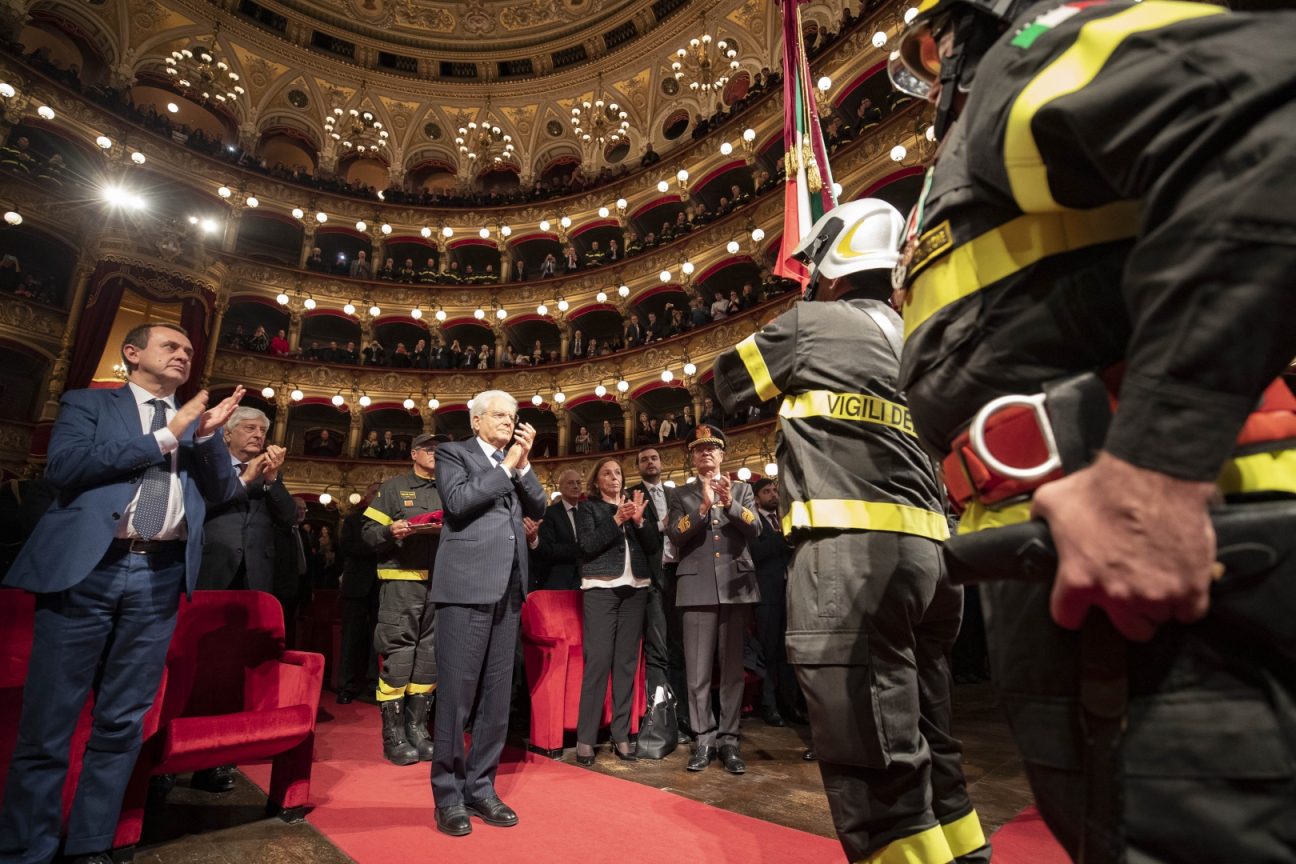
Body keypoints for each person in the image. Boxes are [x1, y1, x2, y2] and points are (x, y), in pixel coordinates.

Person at [887, 1, 1296, 860]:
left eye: (931, 55)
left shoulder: (1032, 49)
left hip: (1174, 563)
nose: (930, 82)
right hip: (1097, 562)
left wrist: (1153, 467)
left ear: (965, 29)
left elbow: (1268, 115)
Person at [713, 198, 987, 863]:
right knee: (930, 742)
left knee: (872, 756)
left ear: (832, 265)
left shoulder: (814, 322)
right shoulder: (916, 335)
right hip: (932, 563)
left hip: (849, 560)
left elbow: (726, 382)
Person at [0, 323, 244, 864]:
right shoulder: (89, 404)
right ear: (133, 355)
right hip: (87, 573)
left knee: (122, 722)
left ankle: (90, 846)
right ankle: (24, 849)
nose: (183, 355)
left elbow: (225, 493)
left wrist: (203, 438)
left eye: (188, 349)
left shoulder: (196, 425)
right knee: (49, 721)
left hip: (159, 578)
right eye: (170, 346)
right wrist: (165, 435)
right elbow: (64, 467)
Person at [428, 391, 546, 837]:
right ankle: (448, 796)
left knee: (497, 701)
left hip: (509, 591)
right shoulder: (452, 453)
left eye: (513, 417)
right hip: (465, 588)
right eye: (499, 415)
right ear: (476, 421)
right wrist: (507, 463)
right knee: (457, 697)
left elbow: (539, 507)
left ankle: (481, 788)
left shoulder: (515, 463)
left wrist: (524, 465)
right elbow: (458, 503)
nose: (508, 422)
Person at [665, 425, 760, 774]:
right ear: (691, 457)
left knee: (733, 671)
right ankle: (703, 739)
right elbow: (675, 534)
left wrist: (729, 504)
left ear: (722, 455)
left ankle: (729, 741)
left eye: (712, 448)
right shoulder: (680, 494)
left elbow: (756, 529)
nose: (706, 453)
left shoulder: (743, 489)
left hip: (736, 587)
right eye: (699, 449)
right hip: (696, 587)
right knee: (698, 672)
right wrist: (704, 507)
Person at [362, 433, 447, 765]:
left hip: (440, 584)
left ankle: (418, 729)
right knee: (398, 655)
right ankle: (393, 734)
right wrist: (389, 531)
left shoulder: (449, 489)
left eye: (441, 450)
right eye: (430, 449)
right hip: (401, 581)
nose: (436, 454)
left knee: (430, 657)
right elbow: (367, 534)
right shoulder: (394, 487)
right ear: (414, 453)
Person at [572, 458, 657, 765]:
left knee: (626, 663)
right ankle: (586, 738)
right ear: (597, 481)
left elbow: (651, 546)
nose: (614, 477)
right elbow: (587, 545)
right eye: (607, 473)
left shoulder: (634, 507)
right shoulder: (588, 508)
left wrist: (639, 522)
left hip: (635, 588)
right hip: (601, 588)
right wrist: (617, 520)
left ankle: (621, 735)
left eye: (618, 472)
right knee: (598, 662)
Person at [627, 447, 688, 740]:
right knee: (658, 647)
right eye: (644, 460)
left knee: (681, 646)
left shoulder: (676, 495)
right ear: (637, 466)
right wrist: (661, 525)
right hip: (652, 576)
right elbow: (642, 538)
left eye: (654, 458)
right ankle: (659, 717)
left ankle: (682, 716)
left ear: (662, 463)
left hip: (681, 574)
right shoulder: (632, 494)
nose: (650, 462)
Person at [744, 478, 798, 727]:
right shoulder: (754, 522)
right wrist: (781, 538)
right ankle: (769, 705)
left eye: (775, 490)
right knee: (768, 651)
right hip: (766, 594)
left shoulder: (786, 518)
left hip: (790, 592)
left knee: (788, 653)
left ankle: (790, 705)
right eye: (767, 491)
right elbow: (755, 554)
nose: (773, 494)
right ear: (756, 498)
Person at [336, 483, 380, 705]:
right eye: (375, 493)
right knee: (351, 637)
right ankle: (346, 685)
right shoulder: (353, 519)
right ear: (366, 496)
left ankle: (374, 684)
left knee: (378, 640)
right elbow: (346, 546)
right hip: (356, 586)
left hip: (382, 587)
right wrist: (377, 545)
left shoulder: (391, 519)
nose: (379, 496)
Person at [529, 469, 583, 591]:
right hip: (560, 580)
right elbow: (549, 549)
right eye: (570, 483)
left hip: (588, 578)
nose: (576, 486)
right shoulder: (549, 513)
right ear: (561, 487)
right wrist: (581, 548)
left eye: (578, 483)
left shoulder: (588, 510)